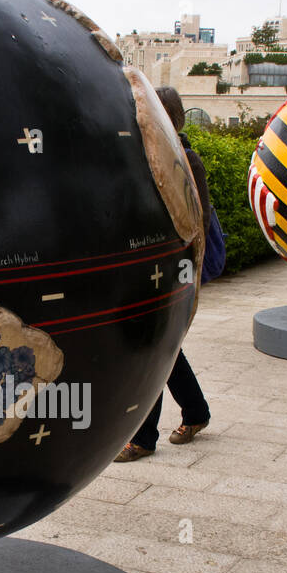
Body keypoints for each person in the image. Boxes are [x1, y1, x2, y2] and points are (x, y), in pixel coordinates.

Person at [114, 86, 213, 462]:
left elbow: (196, 221)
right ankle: (197, 412)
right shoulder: (148, 155)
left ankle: (143, 438)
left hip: (173, 271)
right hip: (151, 271)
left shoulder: (185, 159)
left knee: (153, 347)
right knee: (165, 346)